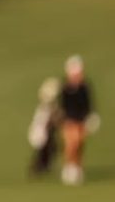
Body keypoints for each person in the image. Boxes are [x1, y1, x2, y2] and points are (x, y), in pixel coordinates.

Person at [59, 55, 96, 186]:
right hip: (69, 120)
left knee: (79, 144)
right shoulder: (66, 88)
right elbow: (63, 105)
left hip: (81, 119)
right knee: (71, 144)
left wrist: (91, 117)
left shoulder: (84, 87)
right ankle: (69, 168)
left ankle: (77, 167)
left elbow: (88, 104)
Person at [27, 77, 61, 177]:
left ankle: (43, 167)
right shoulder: (45, 108)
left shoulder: (49, 106)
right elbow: (49, 121)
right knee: (45, 150)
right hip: (42, 132)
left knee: (50, 149)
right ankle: (39, 168)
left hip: (45, 133)